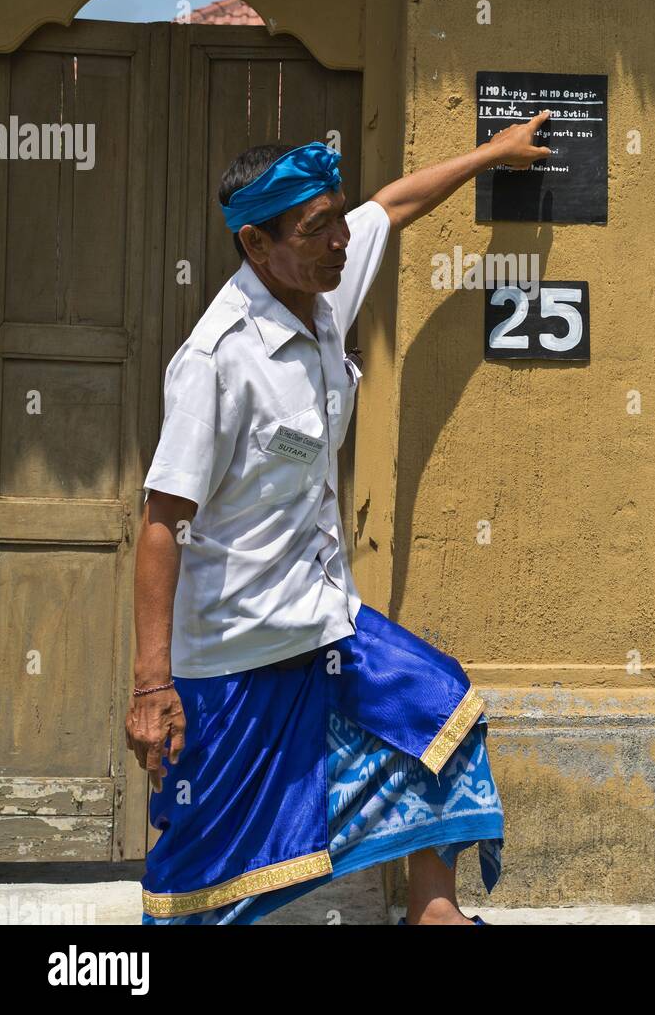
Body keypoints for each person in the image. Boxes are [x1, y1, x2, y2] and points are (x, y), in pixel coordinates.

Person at [126, 111, 551, 925]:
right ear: (256, 245)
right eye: (317, 229)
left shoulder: (322, 288)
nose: (339, 241)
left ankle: (433, 913)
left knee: (439, 706)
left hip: (324, 618)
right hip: (236, 646)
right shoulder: (217, 361)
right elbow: (160, 522)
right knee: (206, 869)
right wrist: (152, 685)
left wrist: (492, 154)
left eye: (336, 218)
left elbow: (393, 205)